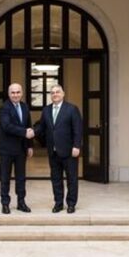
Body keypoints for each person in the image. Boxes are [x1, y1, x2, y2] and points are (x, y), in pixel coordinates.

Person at [33, 85, 83, 214]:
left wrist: (77, 146)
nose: (55, 94)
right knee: (56, 179)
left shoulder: (72, 109)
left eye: (57, 92)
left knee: (72, 179)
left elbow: (78, 129)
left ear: (63, 94)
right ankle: (58, 203)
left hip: (69, 151)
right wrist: (32, 132)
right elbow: (41, 127)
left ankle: (71, 204)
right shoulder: (46, 110)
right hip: (53, 151)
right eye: (53, 93)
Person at [0, 83, 34, 214]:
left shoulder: (24, 107)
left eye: (18, 92)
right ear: (9, 94)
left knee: (21, 178)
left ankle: (21, 203)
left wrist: (30, 145)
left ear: (22, 93)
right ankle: (5, 203)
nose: (15, 95)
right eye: (13, 92)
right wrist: (24, 132)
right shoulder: (4, 107)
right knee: (5, 178)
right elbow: (6, 126)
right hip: (6, 149)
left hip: (21, 149)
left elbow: (28, 125)